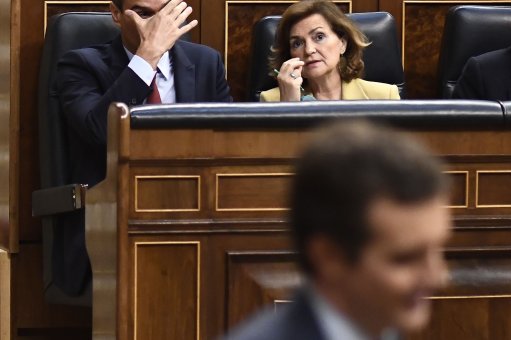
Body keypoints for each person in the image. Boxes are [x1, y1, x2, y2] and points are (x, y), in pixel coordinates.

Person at [54, 0, 232, 296]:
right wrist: (147, 57)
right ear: (115, 13)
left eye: (164, 13)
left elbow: (228, 145)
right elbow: (100, 132)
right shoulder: (80, 65)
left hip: (195, 214)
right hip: (115, 220)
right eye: (145, 14)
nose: (157, 25)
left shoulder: (206, 63)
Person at [225, 120, 452, 340]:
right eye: (405, 259)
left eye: (439, 250)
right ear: (329, 256)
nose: (438, 277)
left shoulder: (384, 325)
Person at [260, 0, 400, 101]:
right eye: (297, 43)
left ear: (342, 43)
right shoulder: (272, 100)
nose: (309, 50)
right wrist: (289, 106)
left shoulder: (384, 96)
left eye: (319, 37)